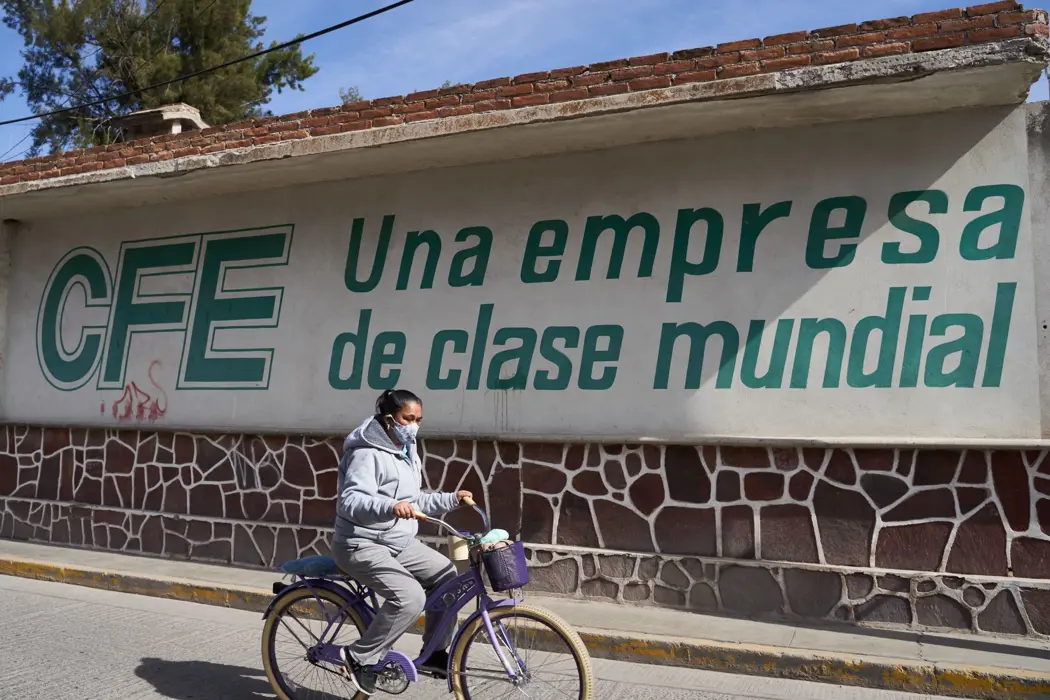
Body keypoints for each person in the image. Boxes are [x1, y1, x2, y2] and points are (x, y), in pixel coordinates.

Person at [332, 388, 471, 696]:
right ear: (389, 419)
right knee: (409, 598)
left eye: (419, 419)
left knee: (447, 576)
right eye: (408, 419)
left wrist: (452, 499)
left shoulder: (406, 449)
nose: (414, 426)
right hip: (360, 543)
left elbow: (414, 500)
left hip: (396, 541)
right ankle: (359, 658)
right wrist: (390, 506)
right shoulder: (366, 452)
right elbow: (350, 501)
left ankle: (435, 652)